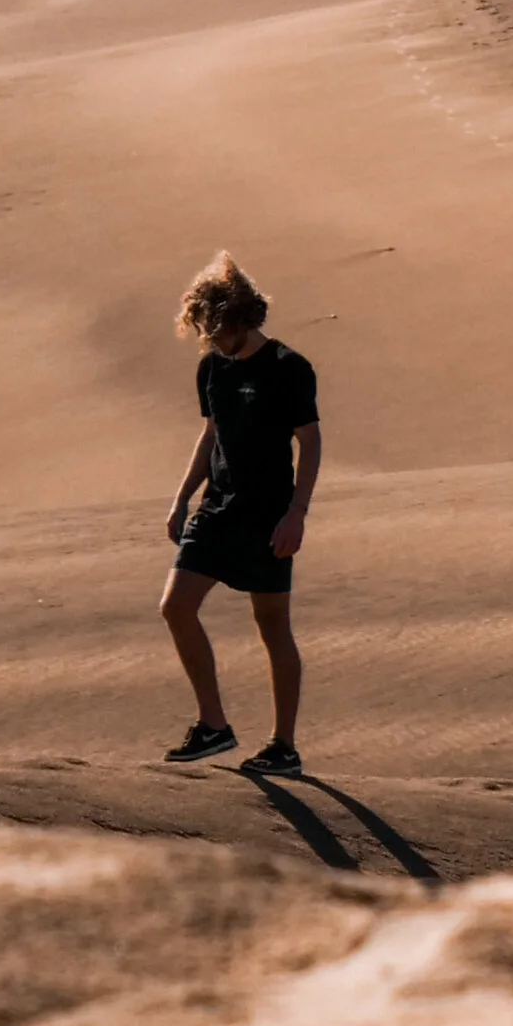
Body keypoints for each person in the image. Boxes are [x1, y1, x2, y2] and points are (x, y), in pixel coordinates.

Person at [161, 252, 321, 774]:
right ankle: (214, 726)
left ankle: (284, 746)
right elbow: (210, 435)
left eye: (212, 327)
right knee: (175, 606)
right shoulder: (212, 366)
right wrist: (182, 497)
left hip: (268, 514)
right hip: (217, 507)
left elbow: (310, 443)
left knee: (272, 625)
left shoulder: (288, 368)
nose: (207, 339)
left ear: (235, 318)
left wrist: (297, 513)